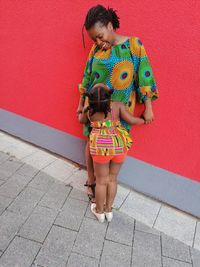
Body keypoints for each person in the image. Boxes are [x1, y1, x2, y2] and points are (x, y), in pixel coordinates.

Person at [77, 4, 159, 202]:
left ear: (110, 25)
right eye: (93, 39)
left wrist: (148, 107)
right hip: (96, 109)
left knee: (116, 147)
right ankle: (92, 182)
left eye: (100, 35)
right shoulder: (96, 50)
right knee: (92, 143)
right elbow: (87, 77)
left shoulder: (133, 45)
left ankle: (107, 185)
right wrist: (81, 103)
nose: (98, 41)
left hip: (120, 112)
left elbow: (144, 75)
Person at [78, 83, 145, 222]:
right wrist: (143, 120)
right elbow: (131, 120)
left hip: (101, 147)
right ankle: (109, 210)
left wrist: (81, 107)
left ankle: (99, 211)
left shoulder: (89, 109)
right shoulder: (117, 105)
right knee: (113, 179)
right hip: (119, 144)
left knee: (101, 181)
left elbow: (81, 120)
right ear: (109, 97)